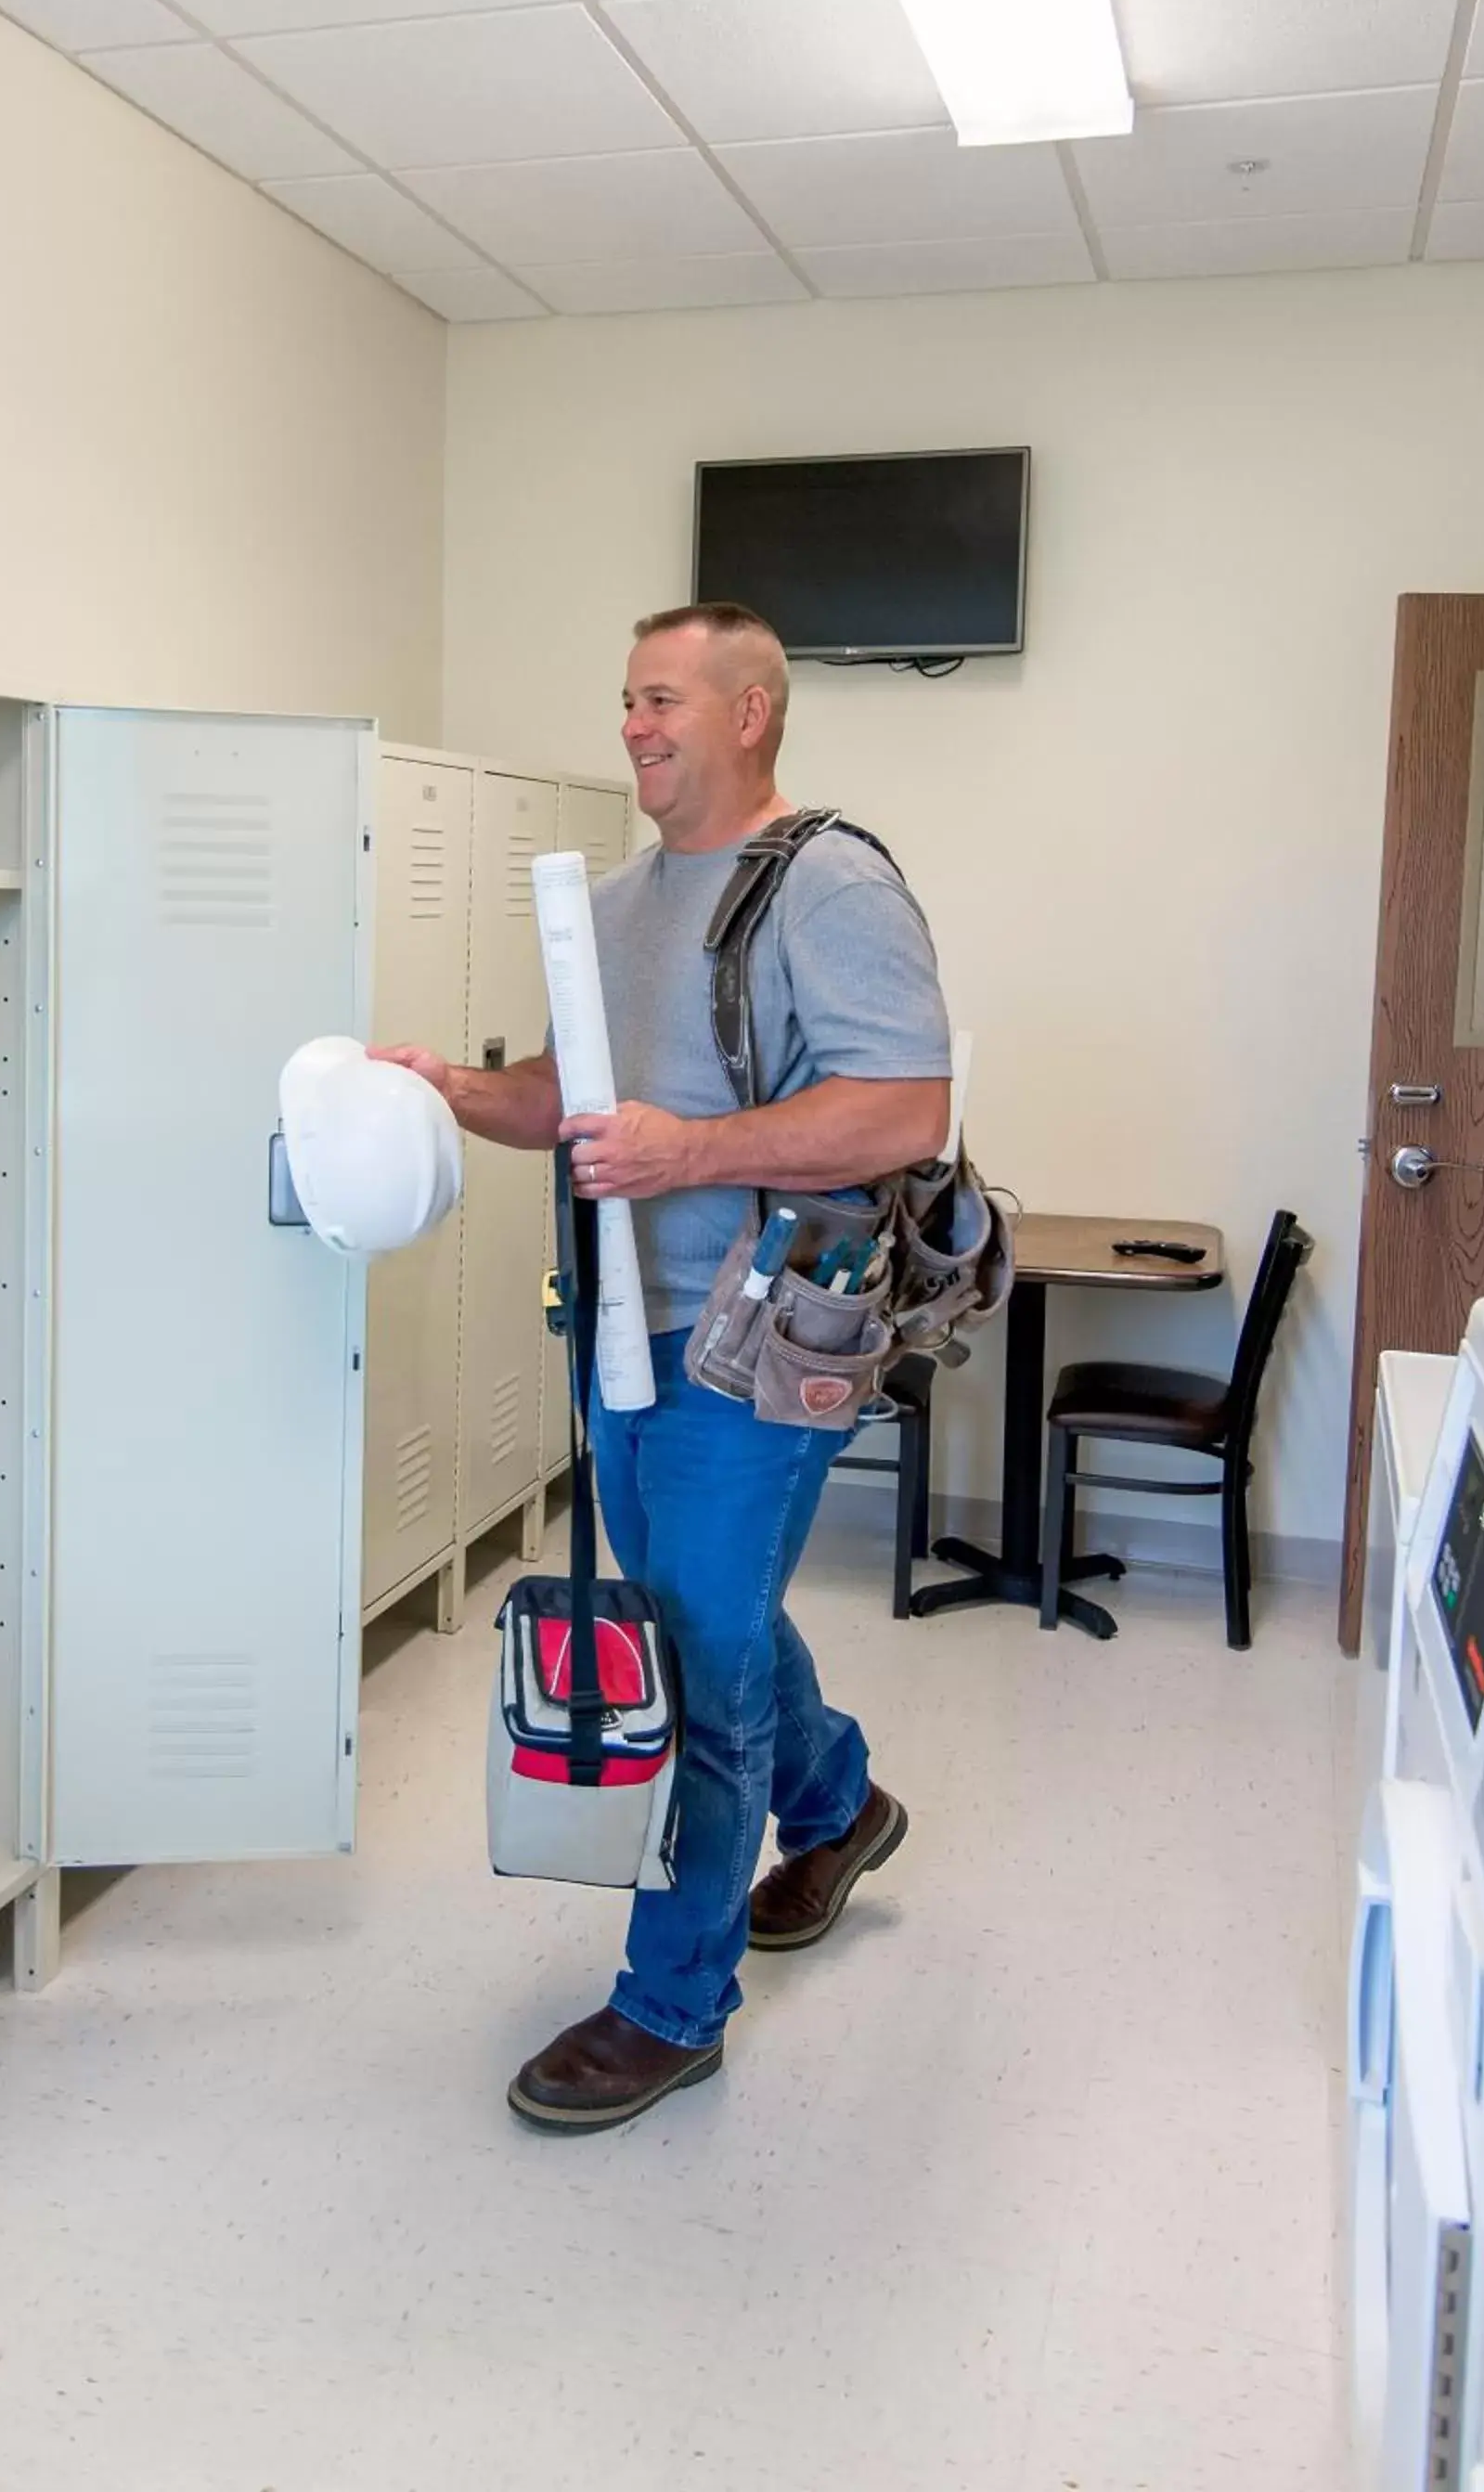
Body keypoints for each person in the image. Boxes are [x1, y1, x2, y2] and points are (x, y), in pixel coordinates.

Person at [377, 601, 955, 2133]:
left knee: (695, 1666)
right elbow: (571, 1103)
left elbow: (906, 1110)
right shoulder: (627, 903)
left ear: (750, 713)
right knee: (706, 1617)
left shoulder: (828, 884)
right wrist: (446, 1090)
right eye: (626, 700)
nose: (632, 726)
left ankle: (670, 2005)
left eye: (661, 701)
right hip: (623, 1337)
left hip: (763, 1352)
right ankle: (841, 1805)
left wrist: (688, 1151)